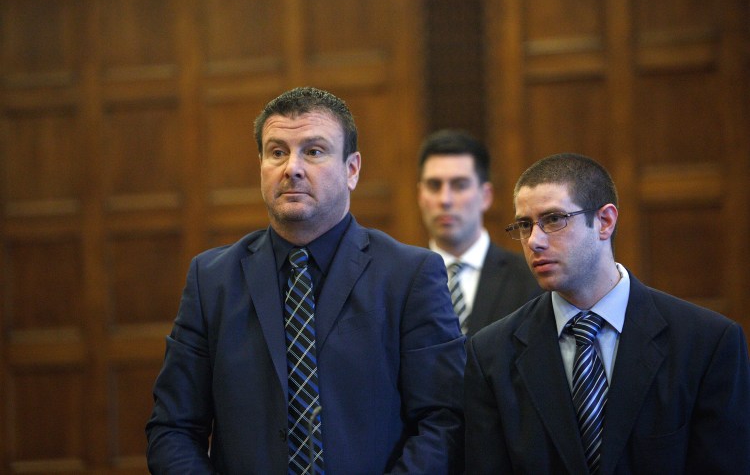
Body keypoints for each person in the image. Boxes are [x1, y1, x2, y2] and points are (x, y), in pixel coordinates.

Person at [146, 86, 465, 474]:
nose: (292, 168)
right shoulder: (211, 280)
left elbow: (443, 420)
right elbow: (173, 429)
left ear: (352, 169)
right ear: (260, 164)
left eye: (313, 151)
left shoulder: (409, 275)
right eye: (277, 152)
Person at [465, 152, 750, 473]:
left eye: (554, 220)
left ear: (605, 221)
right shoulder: (491, 353)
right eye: (524, 225)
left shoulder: (706, 343)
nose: (534, 241)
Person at [417, 129, 540, 335]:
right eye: (434, 185)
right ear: (421, 195)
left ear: (486, 196)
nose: (444, 199)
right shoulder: (399, 280)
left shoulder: (529, 279)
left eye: (459, 185)